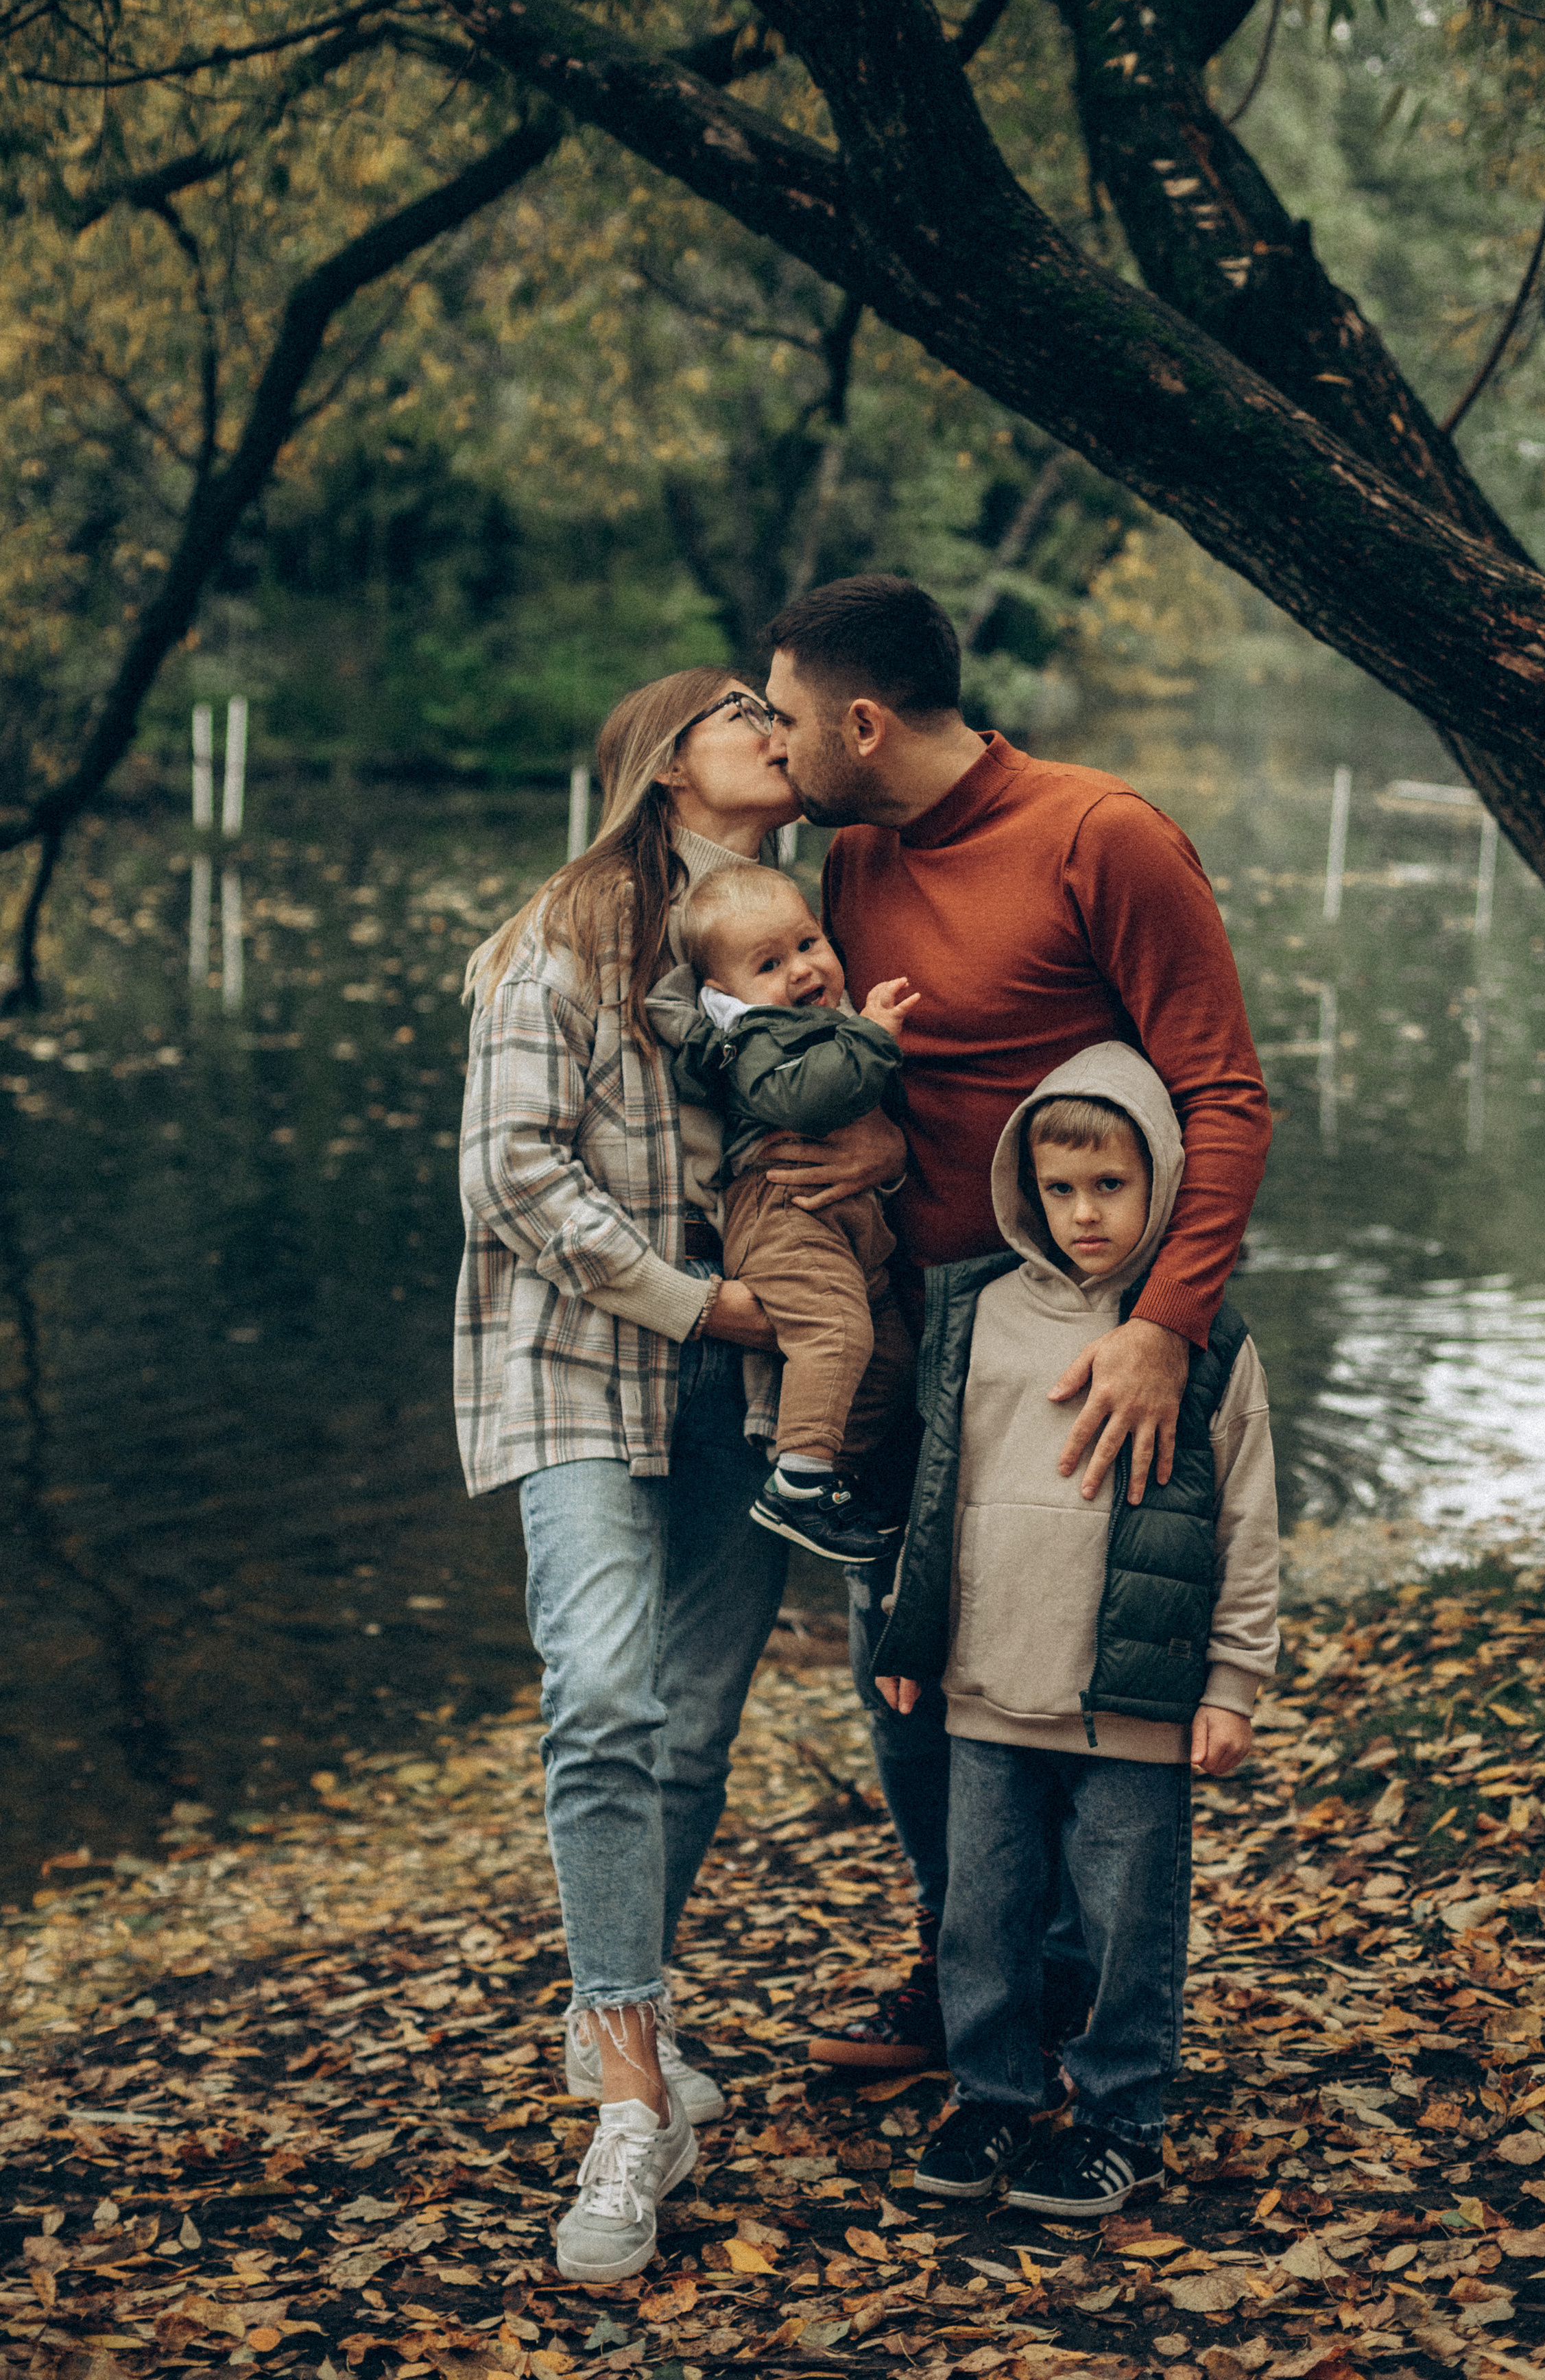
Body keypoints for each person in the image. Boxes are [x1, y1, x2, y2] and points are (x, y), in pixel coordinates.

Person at [756, 573, 1272, 2071]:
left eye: (787, 718)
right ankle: (964, 1970)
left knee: (1071, 1687)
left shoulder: (1102, 836)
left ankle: (1083, 2001)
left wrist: (1165, 1325)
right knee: (911, 1674)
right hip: (914, 1344)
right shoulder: (853, 855)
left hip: (1077, 1350)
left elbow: (1223, 1096)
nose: (778, 746)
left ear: (862, 721)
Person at [455, 667, 884, 2285]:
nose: (778, 725)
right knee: (601, 1693)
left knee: (692, 1726)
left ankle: (618, 1998)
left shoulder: (802, 926)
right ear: (663, 763)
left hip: (749, 1386)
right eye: (740, 709)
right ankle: (631, 2093)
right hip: (586, 1361)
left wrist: (867, 1161)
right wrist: (692, 1299)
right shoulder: (567, 935)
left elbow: (843, 1119)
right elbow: (508, 1172)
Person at [872, 1046, 1279, 2214]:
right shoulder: (978, 1314)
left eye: (1111, 1186)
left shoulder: (1204, 1339)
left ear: (1163, 1185)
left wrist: (1233, 1683)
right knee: (982, 1915)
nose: (1085, 1213)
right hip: (987, 1689)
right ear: (1025, 1189)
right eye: (1061, 1189)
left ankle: (1120, 2116)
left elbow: (1246, 1522)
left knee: (1125, 1920)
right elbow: (936, 1493)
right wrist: (911, 1635)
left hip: (1132, 1699)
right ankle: (994, 2094)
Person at [666, 862, 918, 1563]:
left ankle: (832, 1478)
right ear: (725, 996)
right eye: (769, 965)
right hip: (781, 1210)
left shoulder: (819, 1022)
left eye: (808, 944)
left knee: (890, 1357)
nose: (802, 970)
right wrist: (874, 1035)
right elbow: (806, 1101)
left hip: (847, 1221)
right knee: (834, 1332)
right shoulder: (754, 1039)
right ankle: (797, 1485)